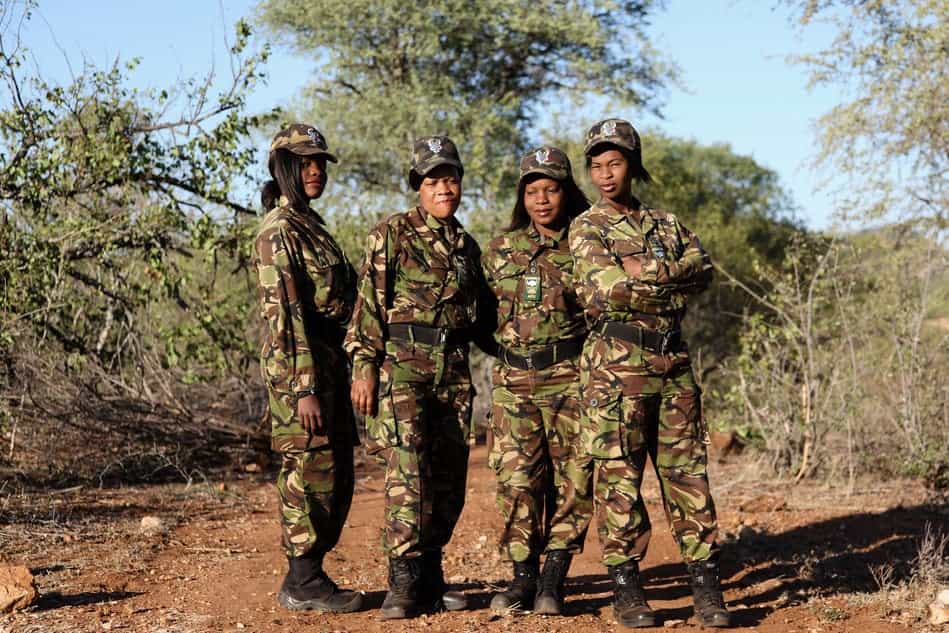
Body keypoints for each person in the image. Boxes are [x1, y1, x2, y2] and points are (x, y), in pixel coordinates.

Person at [569, 118, 730, 628]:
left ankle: (707, 590)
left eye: (614, 163)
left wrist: (647, 274)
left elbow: (703, 267)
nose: (605, 174)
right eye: (596, 166)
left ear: (632, 164)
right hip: (616, 371)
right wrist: (668, 277)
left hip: (673, 364)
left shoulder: (667, 223)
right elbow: (607, 288)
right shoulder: (586, 226)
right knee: (618, 480)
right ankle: (627, 590)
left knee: (688, 478)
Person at [344, 136, 490, 619]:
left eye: (450, 178)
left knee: (448, 476)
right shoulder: (391, 233)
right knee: (408, 475)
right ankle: (403, 582)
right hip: (402, 369)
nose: (443, 188)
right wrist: (364, 368)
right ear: (418, 187)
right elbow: (368, 306)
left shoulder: (467, 246)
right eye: (433, 180)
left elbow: (481, 319)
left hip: (453, 373)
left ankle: (431, 575)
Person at [253, 123, 363, 613]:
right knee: (309, 471)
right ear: (283, 168)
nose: (315, 170)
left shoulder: (310, 226)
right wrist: (303, 389)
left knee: (336, 472)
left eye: (320, 163)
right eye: (305, 163)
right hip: (302, 368)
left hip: (328, 363)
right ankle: (303, 580)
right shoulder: (278, 233)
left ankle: (309, 573)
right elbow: (285, 318)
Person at [482, 146, 594, 615]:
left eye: (551, 189)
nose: (542, 200)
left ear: (567, 193)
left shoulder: (588, 247)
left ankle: (554, 579)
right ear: (521, 198)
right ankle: (522, 578)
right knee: (517, 482)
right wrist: (512, 356)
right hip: (514, 384)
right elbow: (479, 318)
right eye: (532, 191)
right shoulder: (500, 251)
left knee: (574, 479)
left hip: (570, 379)